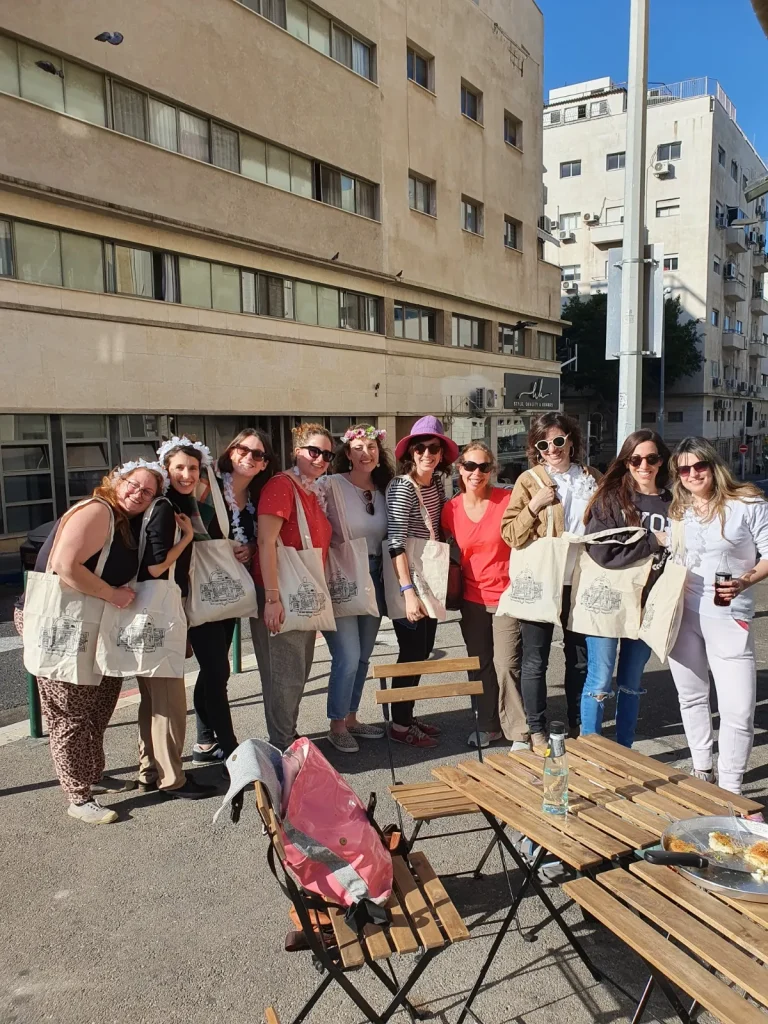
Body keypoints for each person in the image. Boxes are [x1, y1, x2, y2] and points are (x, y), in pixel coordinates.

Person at [34, 463, 164, 823]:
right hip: (64, 621)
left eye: (147, 491)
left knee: (99, 702)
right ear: (116, 480)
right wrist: (110, 593)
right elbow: (64, 565)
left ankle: (92, 774)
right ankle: (78, 796)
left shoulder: (121, 518)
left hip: (94, 620)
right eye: (132, 484)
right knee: (70, 712)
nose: (137, 493)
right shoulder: (98, 510)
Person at [158, 431, 273, 766]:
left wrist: (249, 547)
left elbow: (256, 539)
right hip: (196, 586)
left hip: (229, 589)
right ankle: (232, 750)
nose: (251, 458)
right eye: (244, 449)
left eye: (260, 455)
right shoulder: (202, 483)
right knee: (217, 669)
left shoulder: (255, 496)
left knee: (213, 670)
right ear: (230, 451)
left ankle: (205, 741)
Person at [667, 437, 768, 794]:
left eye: (699, 466)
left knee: (738, 708)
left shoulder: (747, 503)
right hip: (683, 612)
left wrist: (745, 581)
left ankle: (731, 789)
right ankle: (701, 768)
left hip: (728, 613)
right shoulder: (679, 510)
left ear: (713, 465)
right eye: (684, 469)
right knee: (692, 696)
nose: (692, 473)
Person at [500, 412, 601, 752]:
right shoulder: (529, 480)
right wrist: (534, 505)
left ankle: (577, 722)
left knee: (580, 658)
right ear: (536, 449)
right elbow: (510, 534)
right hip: (543, 580)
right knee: (535, 659)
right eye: (544, 444)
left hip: (582, 579)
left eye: (558, 441)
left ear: (571, 440)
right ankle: (536, 728)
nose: (552, 449)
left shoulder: (592, 477)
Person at [580, 430, 672, 748]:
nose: (643, 465)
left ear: (662, 460)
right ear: (626, 461)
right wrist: (651, 541)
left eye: (651, 458)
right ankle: (589, 753)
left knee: (632, 683)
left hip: (652, 602)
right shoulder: (611, 499)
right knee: (600, 681)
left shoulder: (674, 502)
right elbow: (602, 553)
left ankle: (624, 751)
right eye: (635, 459)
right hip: (609, 600)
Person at [134, 459, 215, 799]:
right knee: (169, 700)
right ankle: (172, 778)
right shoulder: (166, 508)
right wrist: (186, 538)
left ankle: (149, 769)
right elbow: (156, 566)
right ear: (165, 471)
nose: (187, 475)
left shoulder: (159, 506)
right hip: (160, 609)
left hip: (144, 610)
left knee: (151, 698)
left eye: (194, 468)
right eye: (179, 468)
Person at [441, 442, 528, 750]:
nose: (476, 473)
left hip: (508, 596)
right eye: (469, 466)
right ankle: (487, 725)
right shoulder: (450, 509)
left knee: (506, 664)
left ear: (493, 470)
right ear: (459, 469)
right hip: (472, 598)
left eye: (484, 467)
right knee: (480, 664)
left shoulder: (506, 500)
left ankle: (518, 730)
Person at [252, 423, 333, 750]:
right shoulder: (282, 486)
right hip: (281, 591)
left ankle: (287, 736)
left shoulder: (310, 490)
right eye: (314, 451)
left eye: (327, 454)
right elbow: (265, 541)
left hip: (301, 592)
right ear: (296, 451)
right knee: (283, 677)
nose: (321, 458)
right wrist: (272, 599)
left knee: (296, 672)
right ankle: (283, 744)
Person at [319, 425, 393, 753]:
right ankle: (336, 724)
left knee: (363, 656)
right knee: (347, 656)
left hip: (376, 574)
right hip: (343, 575)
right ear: (347, 454)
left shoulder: (386, 489)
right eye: (359, 447)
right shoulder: (331, 484)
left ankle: (351, 718)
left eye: (372, 447)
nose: (367, 453)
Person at [385, 415, 457, 748]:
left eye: (434, 448)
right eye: (421, 448)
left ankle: (406, 714)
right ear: (411, 453)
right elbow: (396, 542)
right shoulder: (403, 486)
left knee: (422, 650)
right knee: (411, 652)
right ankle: (399, 725)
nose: (427, 454)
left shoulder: (437, 485)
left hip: (430, 579)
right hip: (410, 583)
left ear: (442, 455)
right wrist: (407, 592)